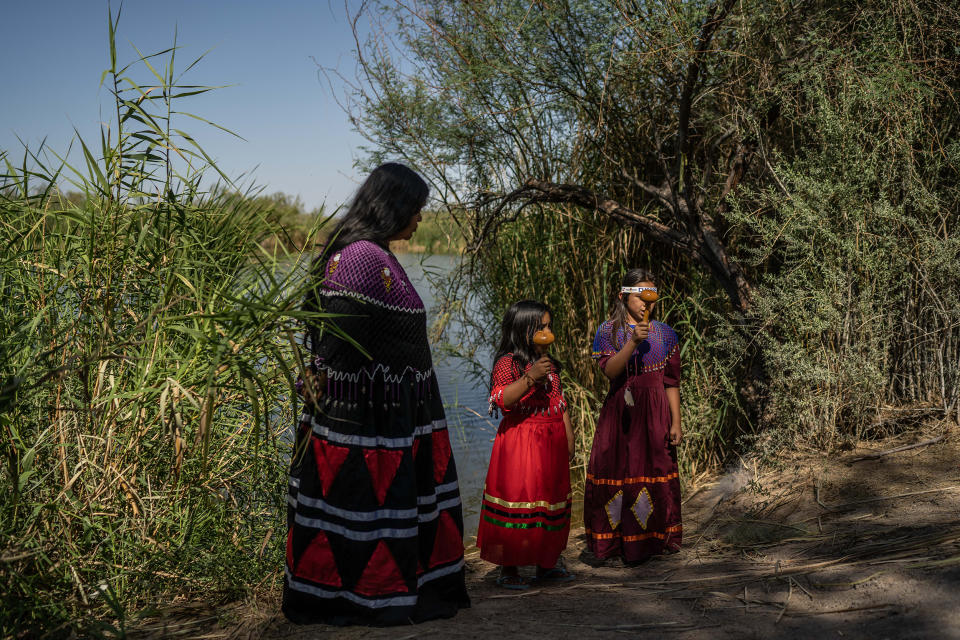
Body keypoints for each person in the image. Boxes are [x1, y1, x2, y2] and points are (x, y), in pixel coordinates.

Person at [283, 163, 470, 625]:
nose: (421, 218)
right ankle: (365, 597)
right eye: (418, 208)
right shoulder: (362, 258)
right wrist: (321, 374)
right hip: (369, 415)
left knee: (388, 510)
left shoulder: (374, 253)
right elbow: (339, 336)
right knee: (365, 509)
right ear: (394, 206)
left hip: (391, 409)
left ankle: (392, 588)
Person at [583, 269, 683, 563]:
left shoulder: (665, 333)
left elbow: (671, 382)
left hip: (655, 415)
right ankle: (614, 544)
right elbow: (610, 372)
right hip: (620, 415)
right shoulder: (608, 332)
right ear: (623, 296)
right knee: (617, 470)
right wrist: (632, 343)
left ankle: (655, 541)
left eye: (650, 296)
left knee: (655, 470)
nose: (645, 303)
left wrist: (676, 421)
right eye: (639, 295)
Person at [476, 300, 575, 589]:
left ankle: (546, 565)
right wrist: (530, 378)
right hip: (522, 442)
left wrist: (568, 436)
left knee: (548, 501)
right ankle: (509, 567)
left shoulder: (549, 363)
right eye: (541, 327)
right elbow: (502, 399)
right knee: (520, 501)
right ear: (523, 330)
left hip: (550, 442)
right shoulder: (509, 363)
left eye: (549, 326)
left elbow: (559, 399)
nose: (548, 332)